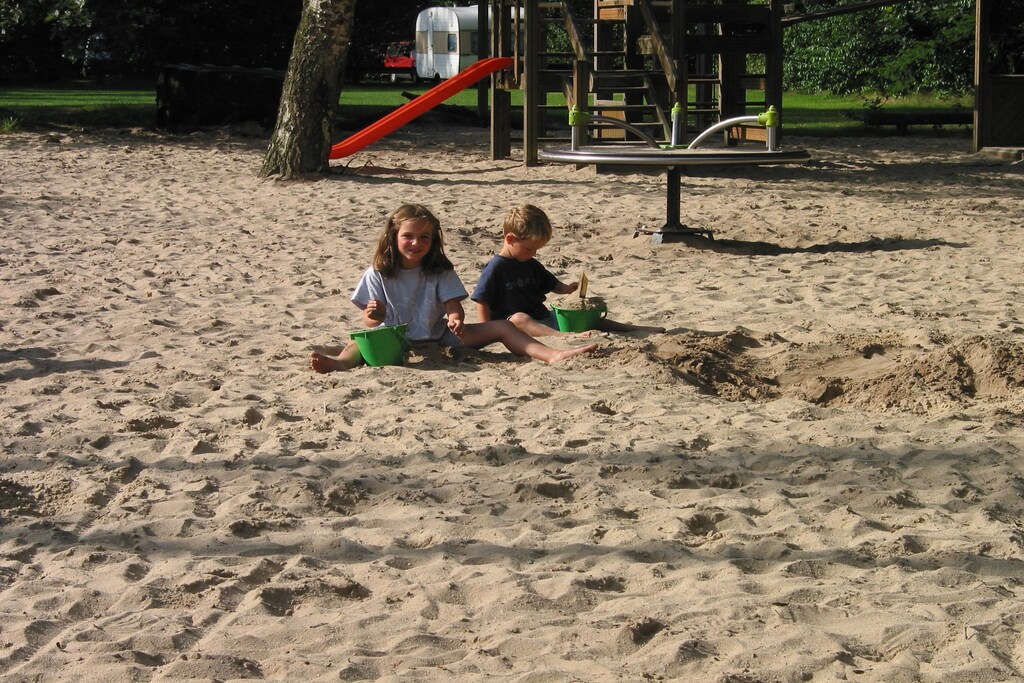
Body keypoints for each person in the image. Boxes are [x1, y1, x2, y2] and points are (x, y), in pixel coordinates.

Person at [309, 204, 599, 373]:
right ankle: (339, 364)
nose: (416, 243)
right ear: (393, 237)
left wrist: (456, 320)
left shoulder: (439, 271)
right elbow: (370, 322)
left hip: (441, 336)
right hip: (394, 340)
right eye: (408, 236)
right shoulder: (378, 273)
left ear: (434, 240)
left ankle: (551, 354)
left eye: (425, 237)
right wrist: (374, 314)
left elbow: (453, 306)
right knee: (357, 343)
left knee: (504, 326)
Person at [471, 204, 666, 337]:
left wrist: (567, 289)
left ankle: (634, 329)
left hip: (543, 318)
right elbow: (482, 300)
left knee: (587, 318)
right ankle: (563, 336)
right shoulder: (496, 267)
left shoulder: (529, 262)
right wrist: (487, 329)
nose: (534, 254)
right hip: (511, 326)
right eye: (530, 248)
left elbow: (550, 283)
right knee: (520, 318)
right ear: (510, 240)